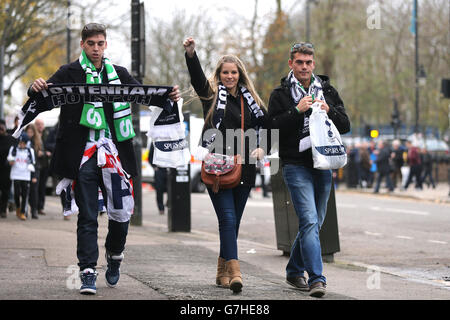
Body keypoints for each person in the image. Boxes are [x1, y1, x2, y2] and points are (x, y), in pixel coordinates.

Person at [29, 23, 180, 294]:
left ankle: (114, 255)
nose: (96, 48)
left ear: (105, 45)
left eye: (100, 43)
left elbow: (144, 95)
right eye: (91, 44)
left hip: (115, 155)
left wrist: (166, 96)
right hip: (83, 156)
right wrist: (34, 85)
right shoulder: (69, 72)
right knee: (87, 215)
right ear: (83, 45)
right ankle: (87, 271)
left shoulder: (118, 74)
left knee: (121, 216)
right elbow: (43, 94)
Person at [184, 37, 268, 293]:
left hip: (245, 168)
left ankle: (221, 272)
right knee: (228, 219)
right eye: (225, 72)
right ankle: (235, 273)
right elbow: (198, 79)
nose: (229, 76)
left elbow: (265, 128)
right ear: (219, 75)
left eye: (233, 72)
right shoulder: (211, 96)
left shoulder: (252, 101)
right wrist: (191, 54)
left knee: (233, 223)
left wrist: (262, 147)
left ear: (240, 74)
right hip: (218, 170)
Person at [268, 42, 350, 298]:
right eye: (299, 62)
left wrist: (330, 110)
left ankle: (294, 270)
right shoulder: (280, 94)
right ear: (291, 64)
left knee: (313, 224)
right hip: (295, 165)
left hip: (322, 164)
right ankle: (317, 279)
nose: (304, 67)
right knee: (310, 221)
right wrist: (296, 110)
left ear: (313, 64)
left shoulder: (326, 89)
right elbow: (270, 128)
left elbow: (345, 124)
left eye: (308, 62)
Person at [7, 133, 36, 221]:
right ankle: (18, 207)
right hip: (16, 174)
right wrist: (11, 162)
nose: (22, 145)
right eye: (20, 143)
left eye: (23, 143)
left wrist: (33, 176)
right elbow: (9, 160)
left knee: (24, 194)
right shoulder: (13, 149)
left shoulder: (30, 151)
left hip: (25, 175)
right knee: (16, 193)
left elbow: (33, 162)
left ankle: (23, 212)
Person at [35, 118, 52, 215]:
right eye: (38, 124)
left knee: (42, 187)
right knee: (35, 187)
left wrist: (45, 153)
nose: (40, 126)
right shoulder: (33, 135)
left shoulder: (47, 135)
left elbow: (51, 146)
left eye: (41, 124)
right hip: (35, 165)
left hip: (45, 164)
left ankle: (40, 207)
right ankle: (34, 206)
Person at [25, 124, 42, 219]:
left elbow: (41, 152)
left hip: (35, 168)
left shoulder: (37, 142)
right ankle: (25, 209)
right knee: (25, 190)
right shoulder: (24, 141)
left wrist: (41, 152)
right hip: (25, 169)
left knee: (34, 191)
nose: (29, 134)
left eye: (31, 132)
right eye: (28, 132)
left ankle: (34, 210)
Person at [0, 119, 15, 218]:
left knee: (5, 190)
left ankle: (3, 210)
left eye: (1, 128)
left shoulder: (11, 139)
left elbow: (14, 152)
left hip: (6, 169)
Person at [148, 142, 167, 215]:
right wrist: (154, 167)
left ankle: (169, 204)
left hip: (169, 169)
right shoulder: (154, 143)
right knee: (159, 190)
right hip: (159, 170)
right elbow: (150, 157)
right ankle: (161, 208)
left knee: (171, 188)